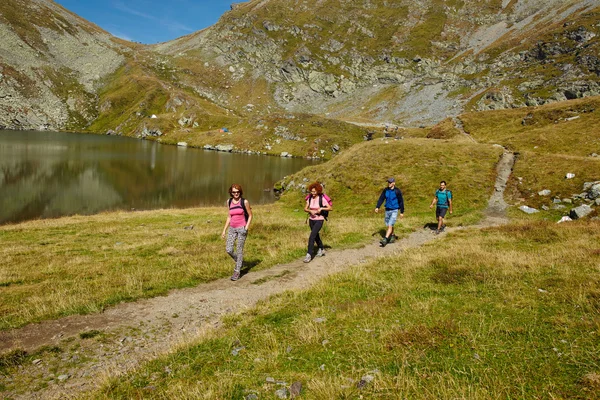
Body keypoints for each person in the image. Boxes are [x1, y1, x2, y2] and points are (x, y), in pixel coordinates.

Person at [221, 184, 253, 281]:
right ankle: (239, 261)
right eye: (234, 192)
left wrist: (246, 228)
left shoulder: (245, 202)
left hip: (242, 229)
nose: (236, 193)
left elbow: (250, 215)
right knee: (229, 249)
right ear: (231, 192)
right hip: (232, 228)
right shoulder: (229, 201)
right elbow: (229, 216)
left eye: (238, 191)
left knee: (239, 250)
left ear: (240, 192)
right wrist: (224, 230)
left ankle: (237, 271)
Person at [303, 182, 332, 263]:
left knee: (312, 236)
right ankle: (322, 249)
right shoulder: (309, 198)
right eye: (312, 191)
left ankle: (309, 255)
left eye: (314, 192)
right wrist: (310, 210)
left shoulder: (321, 199)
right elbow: (305, 208)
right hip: (311, 220)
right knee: (316, 235)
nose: (313, 193)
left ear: (318, 191)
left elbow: (330, 208)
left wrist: (321, 208)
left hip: (320, 219)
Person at [375, 177, 404, 247]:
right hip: (387, 210)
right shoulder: (386, 190)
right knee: (389, 225)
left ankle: (385, 239)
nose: (389, 184)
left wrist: (402, 212)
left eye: (390, 182)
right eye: (388, 182)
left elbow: (401, 201)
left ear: (394, 183)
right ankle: (393, 236)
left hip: (394, 210)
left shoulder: (397, 191)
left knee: (390, 225)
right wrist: (377, 207)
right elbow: (381, 198)